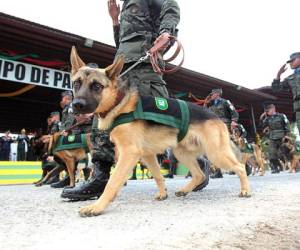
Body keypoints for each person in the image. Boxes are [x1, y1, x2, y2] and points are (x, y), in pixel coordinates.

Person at [61, 0, 181, 200]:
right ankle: (100, 177)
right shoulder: (125, 5)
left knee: (161, 120)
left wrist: (167, 32)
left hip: (146, 67)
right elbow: (123, 42)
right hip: (123, 70)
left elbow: (171, 6)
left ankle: (199, 159)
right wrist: (115, 20)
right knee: (104, 115)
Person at [207, 88, 239, 178]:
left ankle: (243, 166)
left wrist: (234, 121)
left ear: (217, 94)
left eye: (212, 94)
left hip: (225, 126)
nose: (211, 96)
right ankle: (218, 171)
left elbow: (234, 112)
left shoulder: (225, 102)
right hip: (215, 128)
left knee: (230, 147)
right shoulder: (211, 105)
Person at [50, 91, 76, 188]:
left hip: (71, 134)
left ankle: (69, 178)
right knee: (61, 157)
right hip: (66, 133)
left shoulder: (71, 106)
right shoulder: (66, 108)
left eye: (63, 99)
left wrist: (66, 131)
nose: (62, 100)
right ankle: (68, 177)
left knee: (66, 156)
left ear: (66, 98)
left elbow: (70, 120)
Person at [272, 52, 300, 133]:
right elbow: (276, 89)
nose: (290, 63)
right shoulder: (290, 78)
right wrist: (278, 75)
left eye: (293, 60)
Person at [260, 103, 290, 174]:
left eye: (268, 110)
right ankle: (275, 168)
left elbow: (287, 124)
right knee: (272, 153)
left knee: (284, 152)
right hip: (272, 137)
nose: (267, 112)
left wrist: (287, 135)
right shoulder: (267, 118)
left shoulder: (281, 116)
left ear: (273, 109)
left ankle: (294, 165)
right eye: (266, 111)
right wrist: (262, 118)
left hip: (282, 137)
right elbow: (262, 126)